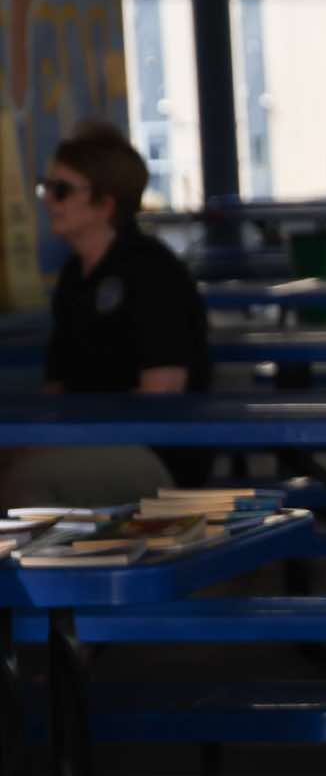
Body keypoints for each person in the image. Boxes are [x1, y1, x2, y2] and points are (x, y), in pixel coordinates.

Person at [6, 122, 211, 501]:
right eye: (46, 187)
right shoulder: (74, 275)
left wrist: (59, 439)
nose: (48, 200)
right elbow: (56, 386)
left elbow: (160, 396)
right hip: (86, 441)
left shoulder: (153, 272)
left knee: (24, 480)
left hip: (155, 453)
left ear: (105, 204)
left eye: (61, 190)